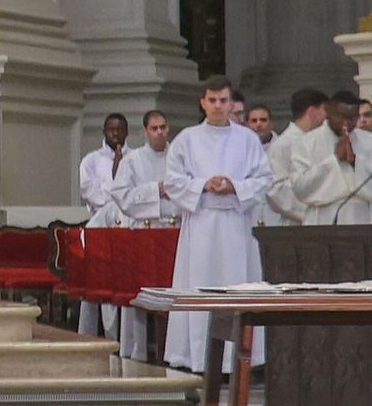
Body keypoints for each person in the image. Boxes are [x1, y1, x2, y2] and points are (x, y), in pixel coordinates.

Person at [164, 75, 272, 374]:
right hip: (201, 223)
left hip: (236, 225)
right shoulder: (186, 139)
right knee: (199, 287)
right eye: (212, 100)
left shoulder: (247, 139)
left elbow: (264, 179)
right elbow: (173, 181)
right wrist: (202, 185)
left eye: (223, 100)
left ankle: (238, 359)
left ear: (231, 103)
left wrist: (235, 186)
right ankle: (198, 359)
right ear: (202, 102)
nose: (217, 106)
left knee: (238, 286)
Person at [110, 111, 174, 361]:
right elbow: (121, 196)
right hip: (145, 234)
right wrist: (155, 190)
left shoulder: (180, 157)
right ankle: (136, 351)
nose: (159, 132)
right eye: (154, 128)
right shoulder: (133, 160)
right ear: (145, 131)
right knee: (138, 293)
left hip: (174, 231)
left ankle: (173, 352)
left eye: (163, 127)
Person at [78, 113, 130, 338]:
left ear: (127, 132)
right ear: (104, 131)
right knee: (95, 285)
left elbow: (137, 194)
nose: (115, 134)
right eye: (111, 130)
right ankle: (89, 334)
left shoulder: (136, 158)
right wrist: (118, 188)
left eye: (119, 130)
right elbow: (90, 193)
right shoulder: (91, 160)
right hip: (100, 227)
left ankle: (124, 338)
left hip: (128, 228)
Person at [289, 92, 372, 225]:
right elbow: (299, 188)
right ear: (328, 112)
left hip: (361, 216)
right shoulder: (306, 142)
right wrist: (333, 161)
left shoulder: (368, 141)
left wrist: (356, 164)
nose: (346, 123)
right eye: (341, 116)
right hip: (323, 216)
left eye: (352, 118)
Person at [265, 88, 327, 226]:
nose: (326, 117)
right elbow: (276, 190)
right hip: (296, 223)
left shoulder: (319, 141)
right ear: (312, 111)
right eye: (324, 109)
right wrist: (312, 210)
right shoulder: (283, 145)